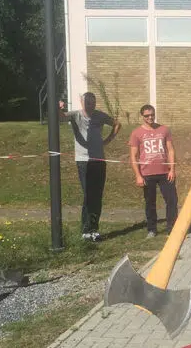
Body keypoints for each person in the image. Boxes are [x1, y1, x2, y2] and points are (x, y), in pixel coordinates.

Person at [59, 92, 121, 241]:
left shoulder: (100, 116)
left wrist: (108, 140)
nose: (90, 105)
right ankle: (86, 230)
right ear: (82, 103)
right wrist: (58, 108)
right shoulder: (76, 115)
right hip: (83, 160)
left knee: (97, 195)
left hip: (99, 160)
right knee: (88, 194)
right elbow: (60, 118)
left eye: (93, 103)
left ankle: (94, 229)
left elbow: (117, 124)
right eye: (87, 103)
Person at [129, 104, 178, 238]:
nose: (150, 117)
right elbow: (133, 156)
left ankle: (172, 229)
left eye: (152, 115)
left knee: (172, 200)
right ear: (142, 116)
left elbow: (171, 150)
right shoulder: (136, 133)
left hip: (165, 172)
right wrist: (138, 175)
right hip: (147, 174)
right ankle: (152, 229)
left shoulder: (164, 130)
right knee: (150, 203)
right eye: (147, 116)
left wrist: (172, 169)